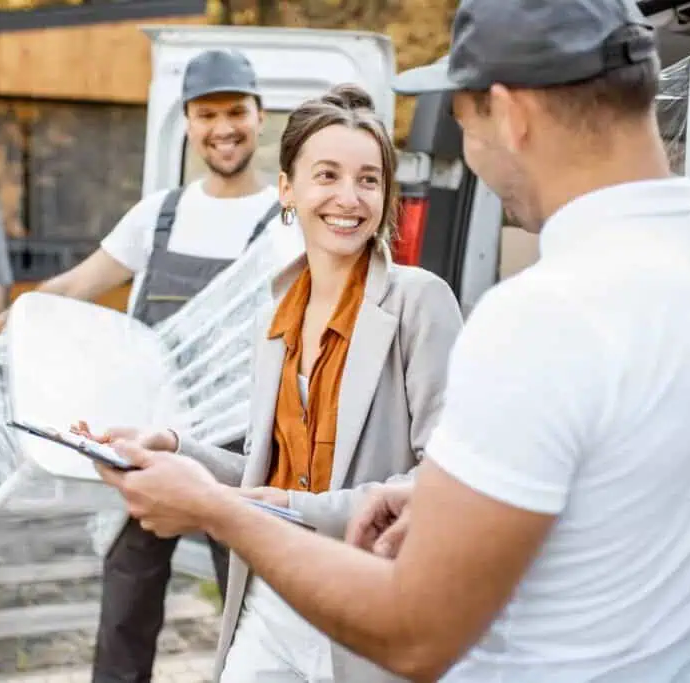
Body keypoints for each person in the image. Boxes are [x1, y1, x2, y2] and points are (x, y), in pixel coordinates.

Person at [86, 1, 690, 682]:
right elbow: (618, 485)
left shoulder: (537, 317)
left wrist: (213, 508)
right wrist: (443, 498)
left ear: (511, 114)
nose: (470, 155)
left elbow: (415, 634)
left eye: (465, 122)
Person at [0, 48, 285, 683]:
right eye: (207, 114)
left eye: (236, 112)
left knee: (247, 616)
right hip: (145, 444)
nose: (223, 128)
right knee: (125, 606)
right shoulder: (160, 215)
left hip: (239, 449)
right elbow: (61, 295)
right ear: (189, 123)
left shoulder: (285, 222)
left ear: (259, 116)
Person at [77, 82, 463, 683]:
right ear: (288, 188)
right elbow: (263, 476)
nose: (349, 198)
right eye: (327, 175)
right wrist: (176, 448)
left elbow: (444, 483)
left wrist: (293, 509)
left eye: (368, 179)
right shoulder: (273, 316)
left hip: (366, 612)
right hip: (270, 601)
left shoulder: (420, 303)